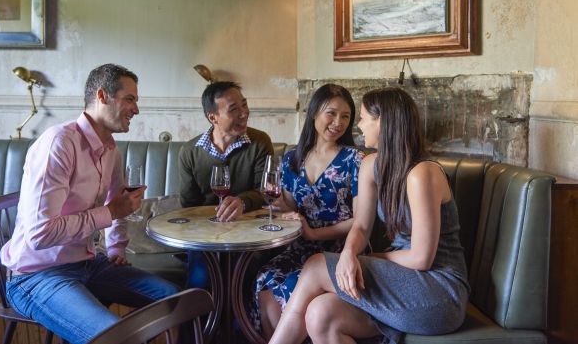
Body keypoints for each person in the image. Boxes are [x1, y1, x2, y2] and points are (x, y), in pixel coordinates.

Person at [268, 87, 470, 344]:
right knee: (321, 314)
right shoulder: (369, 165)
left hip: (437, 291)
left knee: (316, 265)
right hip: (399, 281)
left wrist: (363, 259)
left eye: (363, 118)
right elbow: (361, 226)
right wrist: (350, 253)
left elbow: (421, 258)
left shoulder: (422, 173)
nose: (358, 126)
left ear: (383, 122)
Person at [1, 64, 179, 344]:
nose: (136, 109)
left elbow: (117, 203)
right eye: (130, 99)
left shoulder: (111, 149)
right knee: (122, 337)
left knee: (180, 303)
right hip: (36, 275)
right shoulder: (58, 144)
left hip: (88, 262)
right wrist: (108, 213)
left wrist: (116, 246)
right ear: (102, 96)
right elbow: (40, 234)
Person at [252, 84, 363, 339]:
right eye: (331, 114)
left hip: (340, 251)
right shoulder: (293, 158)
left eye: (345, 116)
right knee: (265, 279)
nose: (338, 122)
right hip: (300, 248)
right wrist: (281, 207)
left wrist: (314, 232)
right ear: (314, 113)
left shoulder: (354, 160)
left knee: (288, 288)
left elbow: (361, 221)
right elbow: (292, 207)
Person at [178, 81, 274, 287]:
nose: (243, 113)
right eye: (234, 109)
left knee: (244, 277)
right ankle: (200, 320)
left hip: (248, 231)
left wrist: (243, 202)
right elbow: (189, 206)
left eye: (244, 105)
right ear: (213, 117)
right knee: (201, 280)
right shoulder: (189, 152)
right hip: (205, 235)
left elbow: (264, 191)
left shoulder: (259, 142)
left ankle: (239, 319)